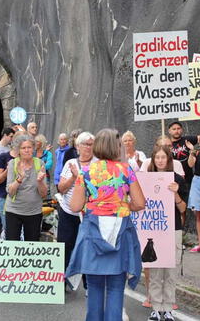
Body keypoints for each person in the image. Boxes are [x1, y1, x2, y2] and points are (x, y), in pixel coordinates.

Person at [66, 128, 145, 321]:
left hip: (93, 232)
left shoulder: (85, 172)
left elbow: (75, 206)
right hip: (121, 232)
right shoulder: (126, 170)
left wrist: (94, 202)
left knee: (94, 288)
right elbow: (140, 203)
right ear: (116, 147)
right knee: (116, 288)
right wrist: (121, 204)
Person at [146, 146, 188, 321]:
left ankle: (169, 308)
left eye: (164, 157)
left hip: (173, 229)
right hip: (155, 230)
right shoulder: (146, 179)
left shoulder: (178, 179)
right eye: (157, 157)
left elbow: (183, 208)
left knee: (171, 272)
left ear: (169, 159)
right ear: (153, 160)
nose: (161, 160)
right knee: (155, 272)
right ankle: (156, 308)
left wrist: (175, 193)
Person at [57, 132, 97, 277]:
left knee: (89, 248)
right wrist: (74, 177)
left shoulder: (99, 165)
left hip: (91, 214)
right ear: (78, 147)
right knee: (65, 246)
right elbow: (61, 188)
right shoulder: (70, 163)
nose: (88, 147)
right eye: (85, 144)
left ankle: (89, 284)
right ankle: (62, 280)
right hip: (69, 212)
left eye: (91, 144)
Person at [5, 135, 47, 241]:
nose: (27, 150)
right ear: (18, 150)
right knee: (12, 245)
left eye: (29, 147)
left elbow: (44, 194)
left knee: (32, 245)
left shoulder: (40, 163)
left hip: (34, 212)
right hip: (13, 211)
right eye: (23, 148)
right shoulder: (13, 164)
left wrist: (40, 181)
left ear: (33, 148)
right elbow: (10, 192)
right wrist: (20, 178)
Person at [0, 137, 19, 237]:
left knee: (21, 234)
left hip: (24, 201)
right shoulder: (3, 157)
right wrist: (8, 170)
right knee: (9, 232)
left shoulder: (30, 159)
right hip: (5, 198)